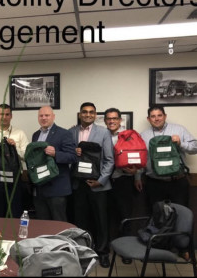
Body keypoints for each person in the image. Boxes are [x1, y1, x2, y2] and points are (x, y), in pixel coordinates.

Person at [69, 102, 114, 268]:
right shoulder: (71, 132)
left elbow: (109, 160)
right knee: (81, 220)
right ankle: (83, 252)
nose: (88, 115)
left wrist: (101, 180)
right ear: (80, 114)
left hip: (98, 185)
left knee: (101, 220)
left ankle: (103, 253)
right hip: (78, 184)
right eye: (85, 112)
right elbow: (67, 156)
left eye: (91, 112)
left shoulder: (103, 132)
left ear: (95, 115)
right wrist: (73, 152)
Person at [139, 105, 197, 208]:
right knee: (156, 216)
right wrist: (137, 177)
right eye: (153, 116)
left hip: (177, 182)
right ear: (148, 119)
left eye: (159, 115)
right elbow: (141, 158)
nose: (156, 119)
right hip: (154, 183)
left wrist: (181, 143)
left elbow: (195, 149)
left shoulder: (180, 129)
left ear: (165, 116)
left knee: (180, 215)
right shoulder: (143, 135)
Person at [104, 107, 141, 265]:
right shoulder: (100, 134)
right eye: (109, 119)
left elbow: (138, 156)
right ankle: (104, 250)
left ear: (120, 120)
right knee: (103, 216)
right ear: (105, 121)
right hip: (103, 182)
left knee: (125, 217)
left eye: (114, 118)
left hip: (123, 181)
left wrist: (137, 175)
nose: (112, 121)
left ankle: (126, 251)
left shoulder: (129, 136)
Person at [31, 105, 76, 221]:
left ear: (53, 117)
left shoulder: (64, 133)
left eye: (47, 115)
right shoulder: (35, 135)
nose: (44, 118)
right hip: (40, 187)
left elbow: (72, 156)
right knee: (43, 223)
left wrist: (56, 153)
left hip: (57, 187)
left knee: (58, 223)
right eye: (41, 115)